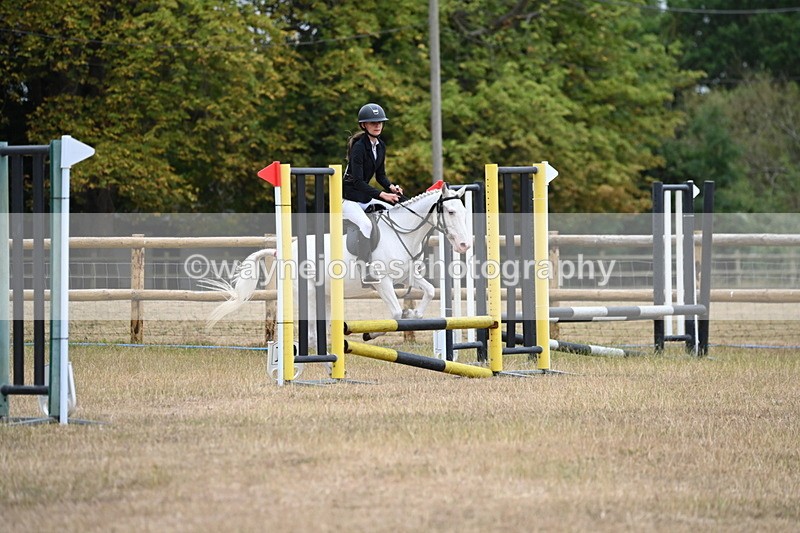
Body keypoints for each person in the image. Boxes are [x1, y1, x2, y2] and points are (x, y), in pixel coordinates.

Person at [343, 103, 404, 284]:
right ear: (364, 125)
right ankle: (364, 269)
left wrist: (391, 187)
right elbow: (358, 182)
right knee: (366, 225)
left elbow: (381, 175)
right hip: (348, 199)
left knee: (397, 208)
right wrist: (382, 195)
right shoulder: (359, 148)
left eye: (380, 122)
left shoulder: (381, 146)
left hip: (364, 197)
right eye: (372, 123)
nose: (377, 126)